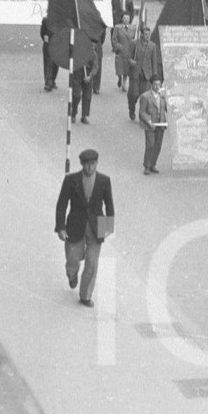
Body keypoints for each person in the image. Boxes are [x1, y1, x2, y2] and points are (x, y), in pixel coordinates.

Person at [54, 149, 115, 308]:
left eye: (93, 164)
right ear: (82, 164)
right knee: (73, 258)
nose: (90, 168)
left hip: (97, 225)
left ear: (97, 163)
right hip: (75, 224)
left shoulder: (104, 180)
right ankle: (72, 274)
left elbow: (109, 204)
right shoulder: (71, 180)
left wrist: (109, 226)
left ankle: (85, 295)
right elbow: (62, 204)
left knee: (92, 263)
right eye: (87, 165)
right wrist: (60, 227)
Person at [127, 26, 160, 121]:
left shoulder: (152, 46)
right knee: (133, 94)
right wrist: (131, 61)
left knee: (145, 97)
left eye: (148, 34)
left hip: (147, 76)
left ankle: (142, 116)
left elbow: (154, 62)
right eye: (145, 34)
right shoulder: (134, 44)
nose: (147, 36)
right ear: (141, 34)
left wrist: (155, 77)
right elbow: (128, 57)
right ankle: (131, 109)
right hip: (136, 73)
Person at [138, 75, 167, 175]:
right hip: (150, 124)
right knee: (150, 145)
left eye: (159, 84)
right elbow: (142, 112)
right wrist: (149, 122)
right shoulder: (145, 96)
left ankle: (153, 164)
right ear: (151, 85)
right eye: (155, 84)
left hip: (161, 123)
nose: (158, 86)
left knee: (157, 145)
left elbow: (167, 108)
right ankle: (147, 165)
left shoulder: (163, 96)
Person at [110, 12, 135, 92]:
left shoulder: (133, 28)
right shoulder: (117, 28)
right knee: (120, 68)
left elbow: (134, 39)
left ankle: (124, 84)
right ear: (122, 19)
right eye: (125, 18)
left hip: (128, 52)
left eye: (128, 18)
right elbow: (114, 39)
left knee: (126, 69)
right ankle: (119, 78)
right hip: (120, 51)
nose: (126, 20)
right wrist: (118, 47)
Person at [69, 56, 95, 124]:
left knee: (87, 96)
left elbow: (95, 66)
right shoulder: (76, 51)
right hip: (77, 74)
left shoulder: (92, 53)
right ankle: (73, 113)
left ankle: (84, 116)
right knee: (76, 95)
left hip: (88, 74)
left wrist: (90, 76)